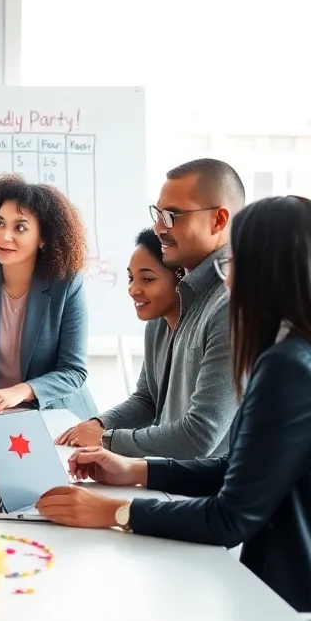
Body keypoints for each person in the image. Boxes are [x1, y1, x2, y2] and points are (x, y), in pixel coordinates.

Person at [38, 196, 311, 618]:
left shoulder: (296, 367)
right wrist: (138, 470)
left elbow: (230, 520)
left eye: (233, 267)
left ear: (269, 275)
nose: (227, 283)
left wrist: (115, 512)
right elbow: (244, 468)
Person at [57, 158, 241, 458]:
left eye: (172, 216)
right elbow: (147, 400)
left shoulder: (231, 303)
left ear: (219, 221)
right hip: (172, 481)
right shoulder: (176, 301)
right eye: (158, 214)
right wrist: (98, 425)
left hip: (212, 496)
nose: (159, 227)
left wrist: (106, 439)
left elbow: (201, 435)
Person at [0, 174, 97, 418]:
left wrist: (20, 391)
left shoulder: (67, 282)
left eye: (20, 227)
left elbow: (73, 371)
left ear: (43, 239)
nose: (4, 236)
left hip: (55, 413)